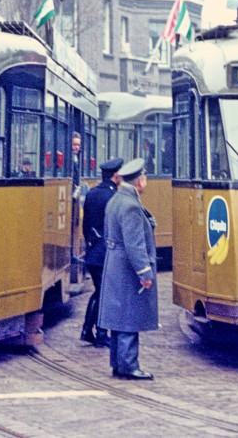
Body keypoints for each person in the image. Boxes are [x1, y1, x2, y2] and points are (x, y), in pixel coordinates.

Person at [98, 158, 158, 381]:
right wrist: (144, 272)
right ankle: (128, 365)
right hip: (128, 268)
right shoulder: (131, 205)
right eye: (145, 178)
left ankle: (118, 362)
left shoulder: (116, 199)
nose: (146, 182)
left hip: (115, 263)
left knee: (118, 317)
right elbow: (135, 243)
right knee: (129, 317)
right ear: (139, 181)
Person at [80, 157, 124, 347]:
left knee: (100, 292)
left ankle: (89, 331)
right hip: (106, 254)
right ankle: (99, 334)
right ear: (115, 176)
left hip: (93, 252)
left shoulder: (92, 193)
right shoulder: (113, 197)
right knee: (104, 294)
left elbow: (85, 225)